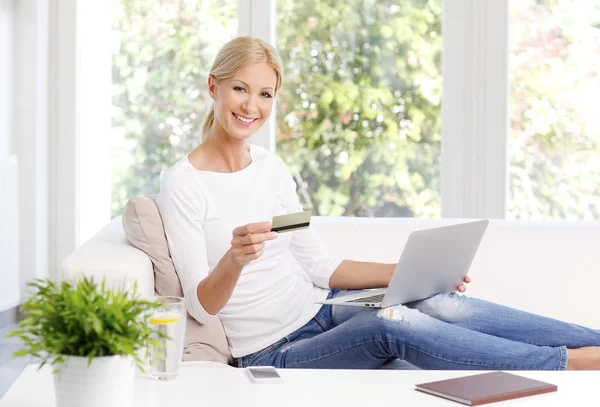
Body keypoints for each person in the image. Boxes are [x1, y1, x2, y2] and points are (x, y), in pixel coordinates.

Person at [156, 36, 600, 371]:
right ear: (213, 87)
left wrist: (411, 276)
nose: (251, 105)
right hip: (273, 350)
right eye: (239, 89)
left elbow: (318, 265)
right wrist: (233, 261)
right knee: (390, 324)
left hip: (321, 305)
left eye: (265, 94)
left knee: (438, 301)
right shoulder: (182, 184)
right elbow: (197, 305)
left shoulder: (271, 168)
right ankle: (570, 363)